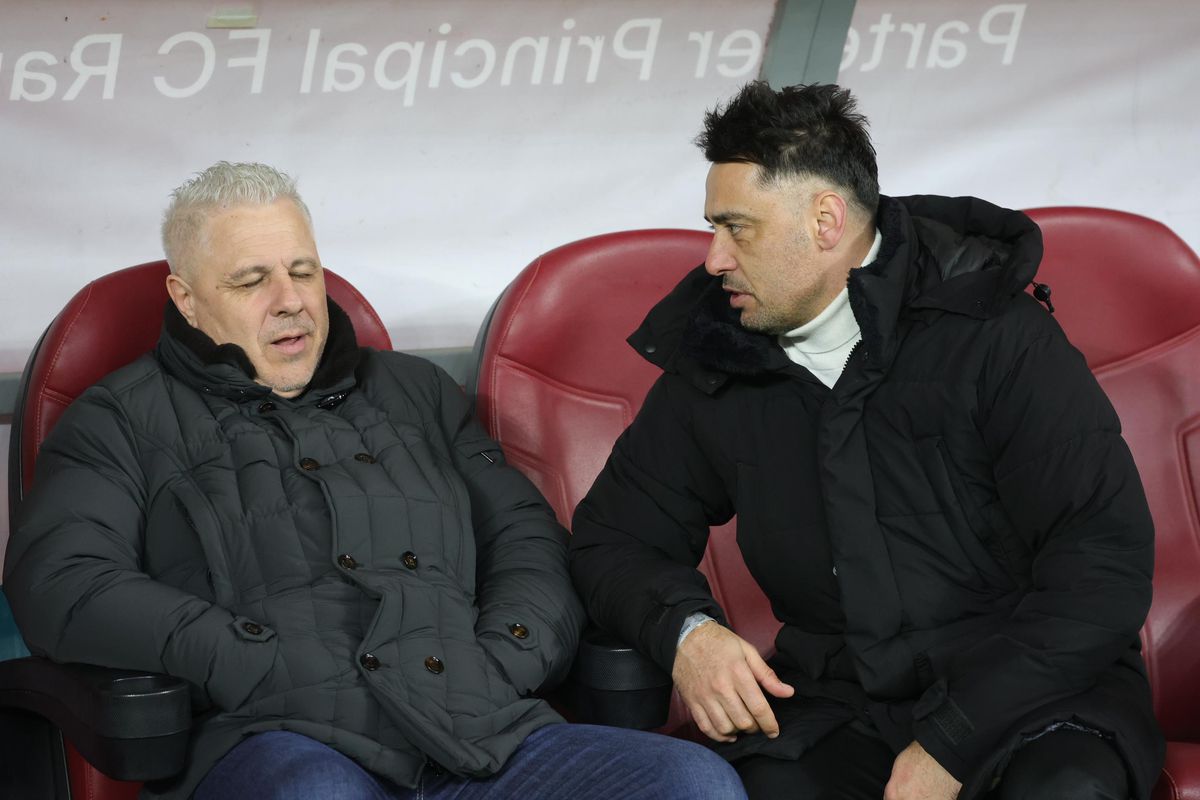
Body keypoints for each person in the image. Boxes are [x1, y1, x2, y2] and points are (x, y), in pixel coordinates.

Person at [4, 162, 746, 800]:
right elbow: (62, 581)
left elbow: (526, 537)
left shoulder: (415, 393)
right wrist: (246, 660)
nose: (290, 299)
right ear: (186, 297)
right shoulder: (119, 418)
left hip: (477, 729)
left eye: (303, 271)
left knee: (691, 783)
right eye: (251, 280)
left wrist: (504, 655)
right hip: (276, 736)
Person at [568, 82, 1164, 800]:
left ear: (826, 220)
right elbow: (612, 539)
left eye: (737, 228)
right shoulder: (715, 357)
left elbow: (1102, 565)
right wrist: (687, 632)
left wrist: (949, 744)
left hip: (1033, 698)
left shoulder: (998, 335)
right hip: (839, 707)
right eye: (712, 229)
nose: (714, 259)